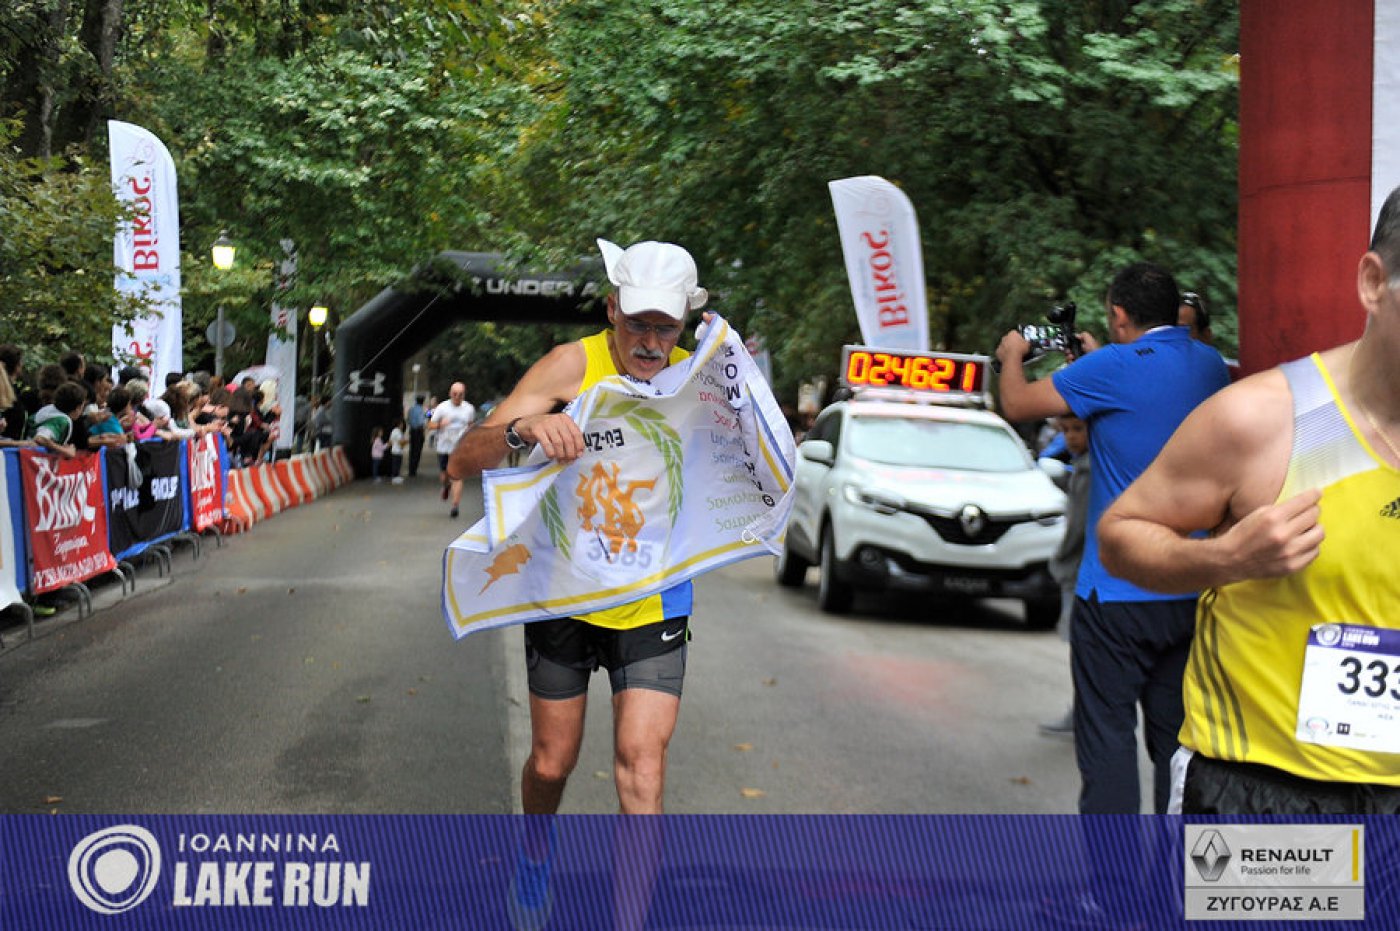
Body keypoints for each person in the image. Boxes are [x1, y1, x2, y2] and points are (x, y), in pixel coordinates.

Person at [1099, 187, 1400, 815]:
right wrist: (1226, 560)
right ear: (1374, 282)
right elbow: (1120, 535)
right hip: (1266, 793)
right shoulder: (1265, 420)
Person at [448, 238, 709, 923]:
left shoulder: (700, 379)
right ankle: (537, 850)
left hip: (653, 599)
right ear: (612, 308)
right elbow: (462, 457)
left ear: (686, 321)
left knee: (641, 769)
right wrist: (525, 429)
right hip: (562, 591)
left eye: (666, 327)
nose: (650, 342)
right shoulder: (571, 364)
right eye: (637, 323)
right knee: (551, 763)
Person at [996, 261, 1230, 815]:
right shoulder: (1211, 365)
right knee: (1175, 744)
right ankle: (1175, 866)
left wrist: (1012, 356)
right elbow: (1146, 389)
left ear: (1119, 314)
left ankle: (1115, 873)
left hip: (1115, 591)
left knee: (1107, 739)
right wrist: (1100, 357)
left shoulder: (1110, 368)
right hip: (1189, 587)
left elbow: (1018, 404)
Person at [1037, 413, 1090, 738]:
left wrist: (1059, 560)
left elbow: (1077, 529)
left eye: (1078, 429)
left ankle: (1083, 714)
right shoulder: (1082, 465)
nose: (1071, 437)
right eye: (1066, 430)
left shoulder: (1089, 470)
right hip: (1083, 571)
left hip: (1081, 572)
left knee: (1083, 647)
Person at [427, 381, 475, 518]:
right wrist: (440, 425)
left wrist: (470, 437)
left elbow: (471, 425)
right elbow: (430, 425)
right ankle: (446, 486)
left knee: (457, 476)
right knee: (445, 475)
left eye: (460, 394)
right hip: (444, 447)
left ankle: (455, 506)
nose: (457, 396)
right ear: (450, 393)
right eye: (455, 394)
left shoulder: (469, 408)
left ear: (464, 395)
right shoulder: (442, 407)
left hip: (459, 448)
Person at [406, 394, 428, 476]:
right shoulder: (422, 410)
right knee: (417, 451)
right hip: (419, 432)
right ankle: (414, 470)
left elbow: (408, 420)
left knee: (412, 451)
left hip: (412, 431)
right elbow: (422, 422)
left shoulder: (411, 409)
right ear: (423, 402)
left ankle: (410, 469)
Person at [388, 417, 407, 485]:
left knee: (395, 464)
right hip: (398, 451)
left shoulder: (393, 431)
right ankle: (395, 478)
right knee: (397, 465)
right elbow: (401, 442)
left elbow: (390, 441)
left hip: (394, 450)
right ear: (399, 424)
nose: (402, 425)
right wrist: (406, 441)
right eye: (401, 424)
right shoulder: (398, 431)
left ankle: (395, 477)